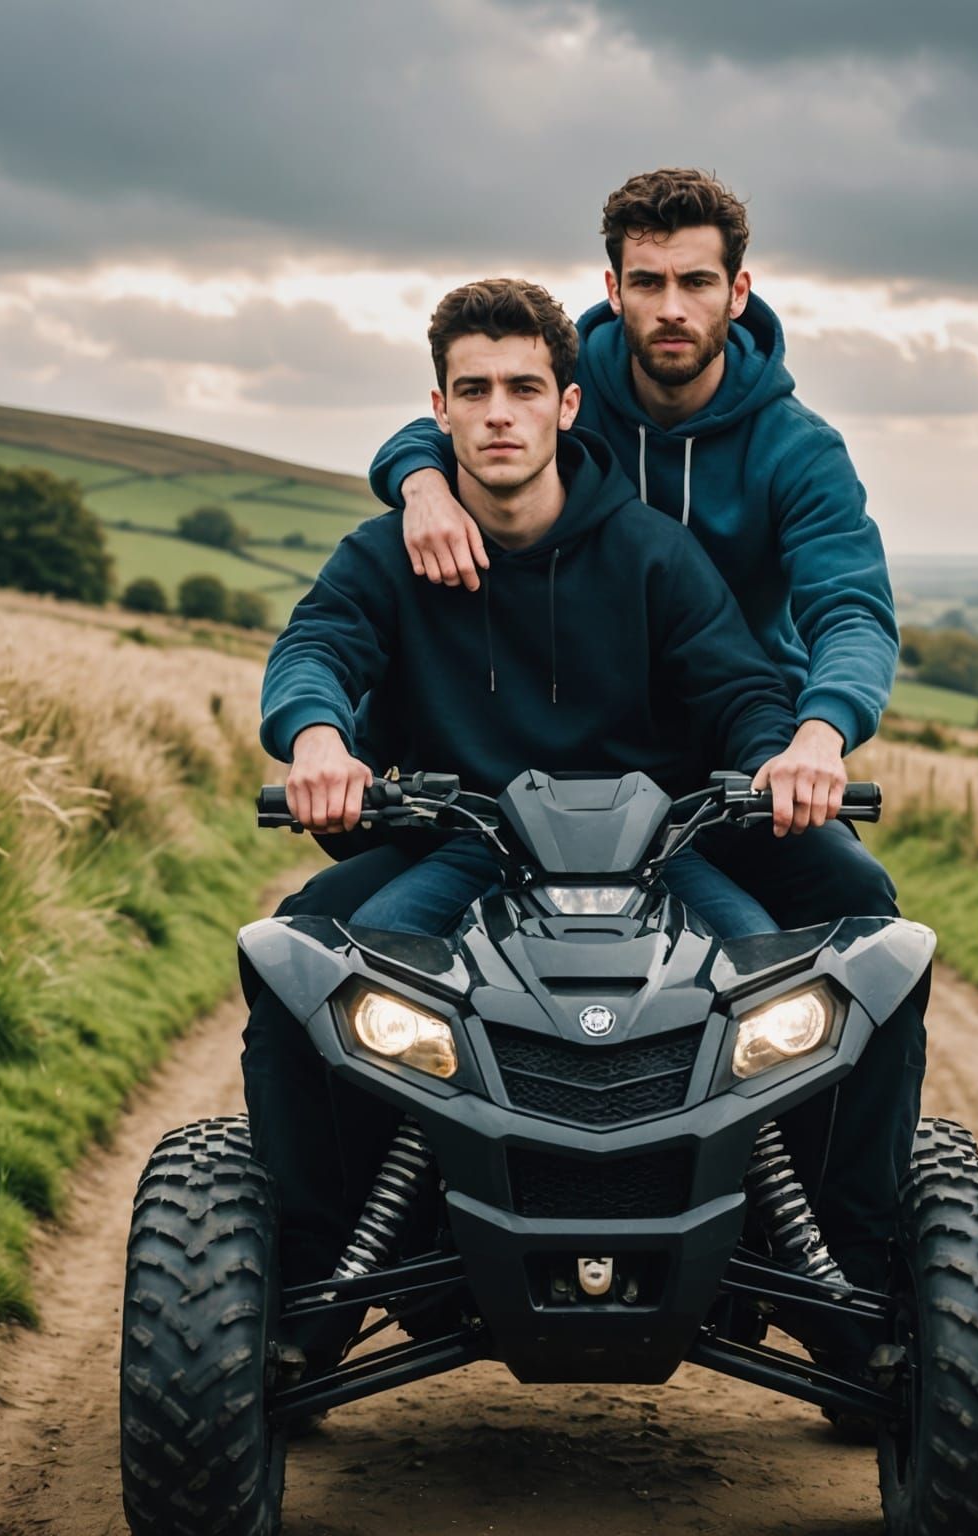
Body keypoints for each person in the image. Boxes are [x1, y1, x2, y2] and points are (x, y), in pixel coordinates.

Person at [247, 278, 851, 1348]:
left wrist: (778, 761)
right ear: (436, 410)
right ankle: (312, 1287)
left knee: (794, 978)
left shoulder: (655, 555)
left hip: (658, 853)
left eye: (524, 388)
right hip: (463, 845)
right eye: (472, 390)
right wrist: (319, 741)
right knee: (302, 965)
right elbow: (318, 649)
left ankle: (811, 1279)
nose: (498, 413)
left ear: (569, 406)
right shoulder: (389, 553)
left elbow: (741, 691)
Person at [364, 169, 924, 1296]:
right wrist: (417, 483)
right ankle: (392, 1230)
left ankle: (840, 1257)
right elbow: (460, 412)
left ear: (739, 289)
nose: (672, 307)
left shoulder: (795, 450)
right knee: (350, 959)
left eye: (697, 282)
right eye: (649, 282)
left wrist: (818, 734)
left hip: (734, 763)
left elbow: (850, 607)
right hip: (535, 773)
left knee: (862, 938)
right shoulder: (570, 389)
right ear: (610, 290)